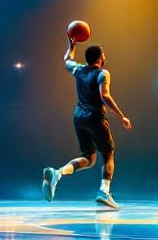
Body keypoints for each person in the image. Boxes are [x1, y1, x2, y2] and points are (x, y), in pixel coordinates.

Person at [41, 36, 132, 209]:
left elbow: (67, 59)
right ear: (100, 58)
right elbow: (105, 95)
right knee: (108, 155)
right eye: (104, 55)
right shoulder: (103, 73)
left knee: (89, 158)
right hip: (95, 117)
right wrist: (122, 116)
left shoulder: (78, 70)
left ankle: (57, 173)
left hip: (78, 117)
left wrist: (72, 46)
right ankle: (104, 192)